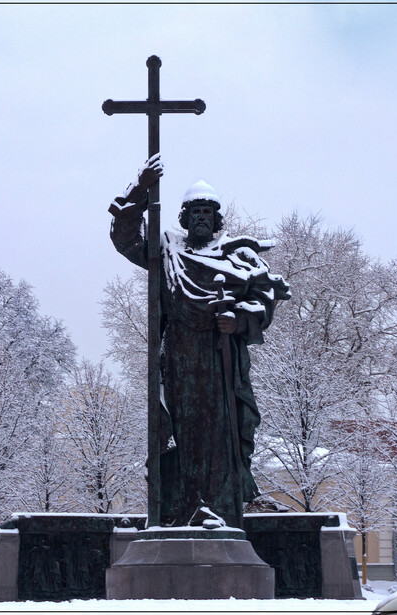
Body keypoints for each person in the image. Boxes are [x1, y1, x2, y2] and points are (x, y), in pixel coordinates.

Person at [109, 154, 290, 529]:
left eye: (208, 212)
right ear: (185, 218)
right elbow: (126, 239)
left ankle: (218, 510)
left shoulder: (237, 258)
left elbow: (263, 298)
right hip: (177, 358)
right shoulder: (168, 250)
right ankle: (184, 508)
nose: (202, 217)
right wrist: (140, 189)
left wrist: (237, 319)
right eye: (195, 212)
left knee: (221, 437)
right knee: (181, 435)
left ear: (217, 219)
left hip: (219, 360)